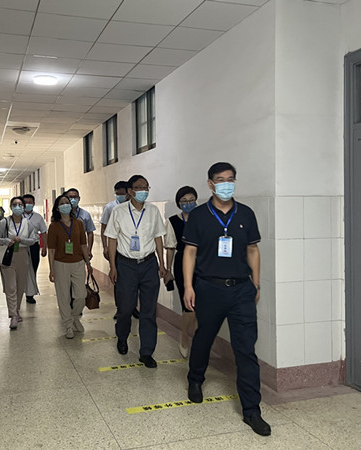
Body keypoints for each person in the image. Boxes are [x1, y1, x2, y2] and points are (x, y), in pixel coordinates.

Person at [182, 162, 270, 437]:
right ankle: (195, 379)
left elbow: (253, 250)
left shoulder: (246, 213)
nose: (226, 184)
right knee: (204, 338)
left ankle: (252, 410)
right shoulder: (199, 216)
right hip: (209, 288)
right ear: (210, 184)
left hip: (241, 290)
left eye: (230, 179)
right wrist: (188, 287)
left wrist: (256, 283)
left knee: (246, 350)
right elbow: (190, 253)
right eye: (220, 180)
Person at [104, 174, 167, 368]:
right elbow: (112, 239)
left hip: (149, 264)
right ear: (130, 191)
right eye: (140, 188)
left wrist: (162, 264)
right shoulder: (119, 211)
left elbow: (158, 237)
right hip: (126, 265)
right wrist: (113, 266)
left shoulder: (153, 210)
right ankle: (122, 336)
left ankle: (146, 352)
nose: (144, 191)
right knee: (125, 308)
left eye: (146, 187)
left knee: (148, 310)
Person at [47, 195, 93, 339]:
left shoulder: (78, 223)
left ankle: (75, 317)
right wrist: (51, 269)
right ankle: (68, 325)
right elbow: (51, 250)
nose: (66, 205)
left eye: (67, 202)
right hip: (60, 264)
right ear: (57, 208)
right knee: (63, 296)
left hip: (78, 263)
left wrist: (88, 263)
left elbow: (83, 245)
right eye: (62, 203)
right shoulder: (54, 226)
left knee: (80, 295)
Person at [164, 186, 198, 357]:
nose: (188, 204)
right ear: (178, 203)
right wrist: (168, 270)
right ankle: (185, 337)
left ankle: (198, 342)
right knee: (189, 306)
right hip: (182, 264)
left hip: (202, 265)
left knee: (201, 307)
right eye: (184, 201)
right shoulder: (173, 221)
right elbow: (170, 247)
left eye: (191, 200)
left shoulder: (203, 219)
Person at [0, 197, 38, 329]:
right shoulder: (4, 222)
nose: (17, 207)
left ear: (24, 207)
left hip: (23, 255)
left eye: (20, 204)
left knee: (20, 286)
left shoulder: (28, 223)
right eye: (15, 204)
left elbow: (33, 240)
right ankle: (13, 315)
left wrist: (22, 240)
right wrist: (7, 240)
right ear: (11, 207)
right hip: (8, 256)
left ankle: (17, 310)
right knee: (11, 287)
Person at [100, 181, 139, 320]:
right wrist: (105, 246)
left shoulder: (135, 207)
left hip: (132, 249)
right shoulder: (110, 208)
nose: (120, 196)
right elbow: (103, 228)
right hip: (116, 249)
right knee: (119, 279)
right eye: (117, 194)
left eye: (122, 194)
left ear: (128, 193)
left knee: (134, 280)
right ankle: (120, 308)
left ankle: (133, 307)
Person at [22, 194, 48, 304]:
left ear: (33, 204)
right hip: (21, 246)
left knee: (33, 269)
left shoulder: (38, 217)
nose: (28, 204)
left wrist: (45, 247)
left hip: (33, 246)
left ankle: (30, 294)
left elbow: (44, 232)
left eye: (30, 202)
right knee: (21, 270)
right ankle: (20, 291)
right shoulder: (17, 216)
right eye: (25, 203)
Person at [64, 188, 96, 259]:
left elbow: (90, 232)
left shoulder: (85, 214)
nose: (73, 199)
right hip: (64, 247)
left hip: (81, 247)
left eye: (75, 197)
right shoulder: (62, 214)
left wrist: (89, 249)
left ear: (79, 198)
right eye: (70, 197)